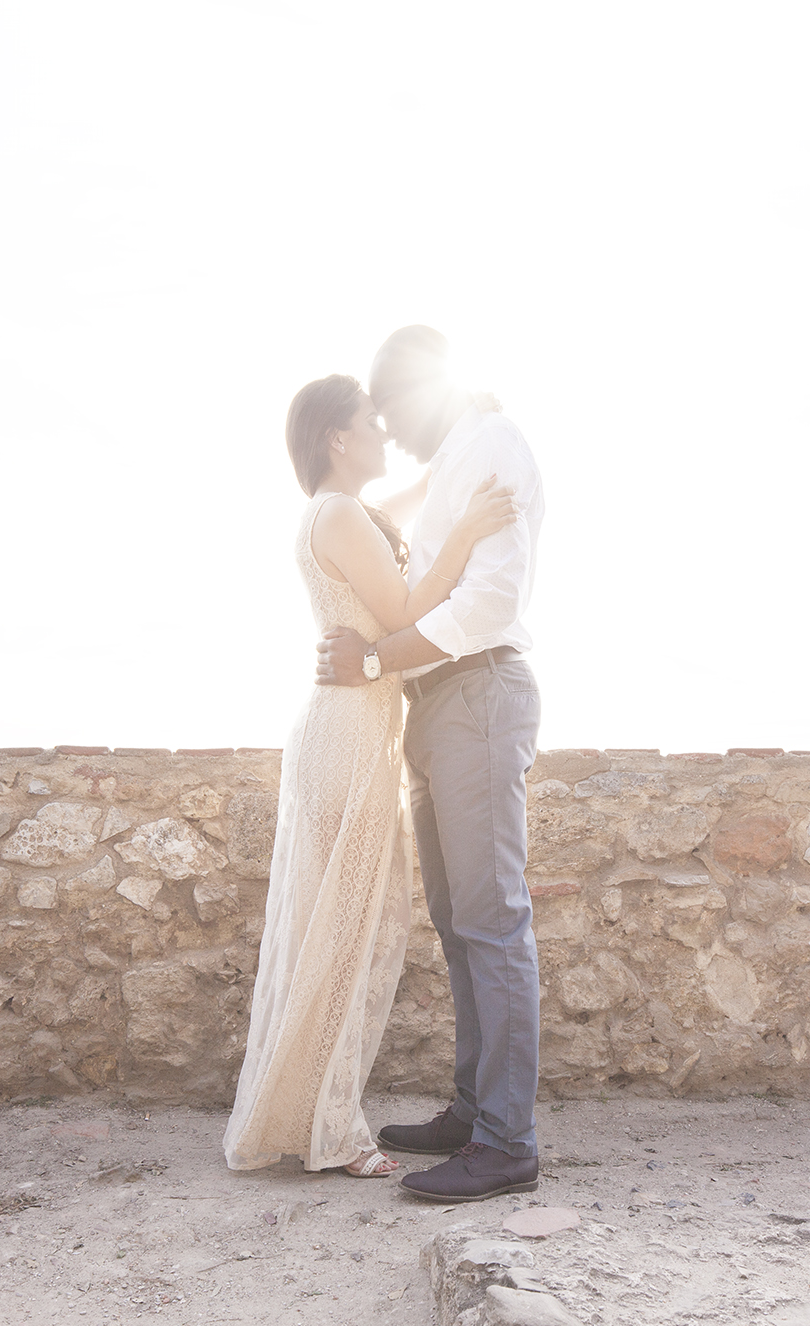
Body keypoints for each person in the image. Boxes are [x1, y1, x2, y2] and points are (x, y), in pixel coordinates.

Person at [223, 373, 517, 1179]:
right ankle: (334, 1129)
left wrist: (465, 427)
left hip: (349, 730)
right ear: (337, 440)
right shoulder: (341, 514)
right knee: (343, 937)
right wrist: (468, 531)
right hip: (350, 736)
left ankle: (304, 1110)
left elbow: (415, 494)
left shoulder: (338, 512)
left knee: (332, 930)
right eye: (370, 427)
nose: (386, 437)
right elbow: (406, 611)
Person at [316, 326, 545, 1205]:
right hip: (440, 701)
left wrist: (379, 661)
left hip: (478, 690)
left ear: (423, 393)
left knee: (493, 921)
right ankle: (472, 1109)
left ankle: (507, 1141)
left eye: (392, 413)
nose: (392, 431)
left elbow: (487, 601)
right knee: (458, 921)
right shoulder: (458, 451)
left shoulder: (490, 446)